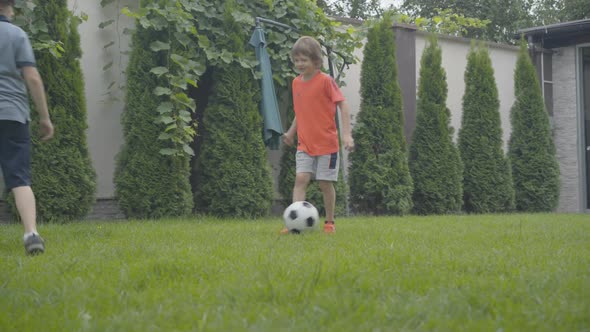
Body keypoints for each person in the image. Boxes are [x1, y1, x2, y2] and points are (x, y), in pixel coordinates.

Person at [282, 36, 354, 234]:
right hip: (305, 144)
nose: (299, 64)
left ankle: (329, 222)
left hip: (327, 145)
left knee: (324, 183)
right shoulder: (296, 83)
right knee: (301, 178)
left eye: (303, 60)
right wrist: (290, 132)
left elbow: (343, 105)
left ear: (315, 60)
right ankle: (294, 225)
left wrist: (346, 135)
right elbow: (301, 111)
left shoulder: (325, 81)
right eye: (296, 60)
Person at [0, 0, 53, 255]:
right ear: (6, 8)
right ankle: (31, 235)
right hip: (12, 114)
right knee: (19, 177)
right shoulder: (16, 34)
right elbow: (32, 77)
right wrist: (44, 117)